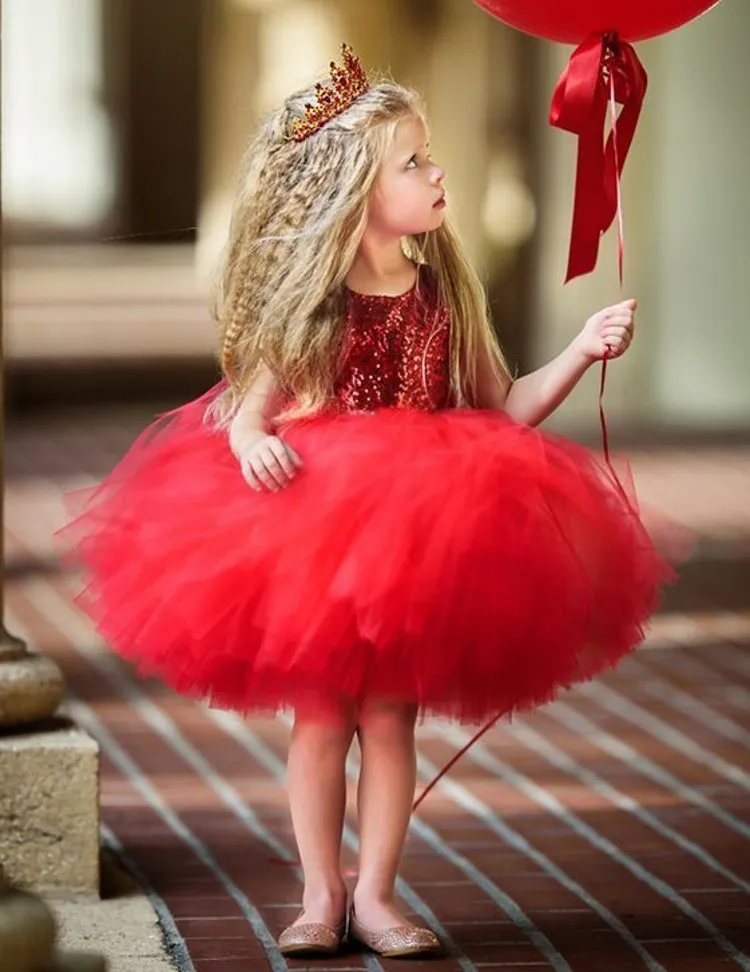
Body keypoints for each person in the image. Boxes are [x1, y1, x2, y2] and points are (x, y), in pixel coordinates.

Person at [63, 45, 671, 960]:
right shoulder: (313, 304)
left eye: (429, 157)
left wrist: (583, 347)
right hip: (318, 523)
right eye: (415, 162)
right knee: (320, 717)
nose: (437, 173)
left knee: (389, 716)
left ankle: (379, 894)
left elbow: (501, 407)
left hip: (419, 526)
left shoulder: (443, 293)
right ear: (356, 189)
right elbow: (248, 411)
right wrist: (256, 440)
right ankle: (319, 890)